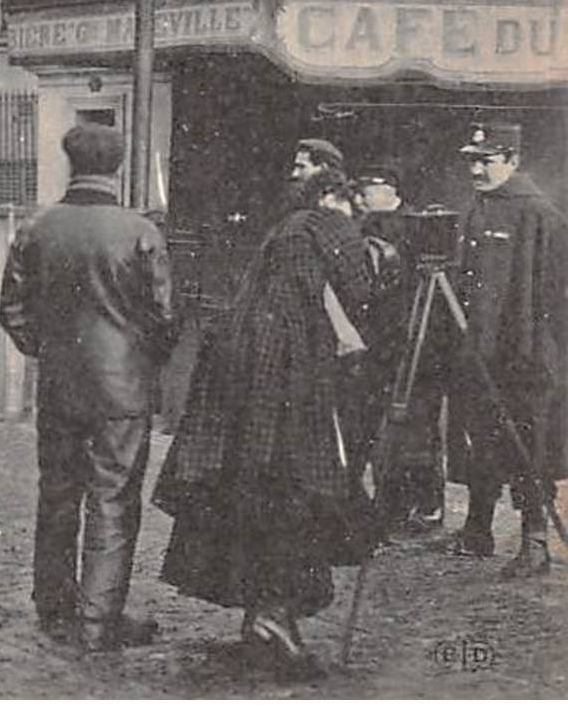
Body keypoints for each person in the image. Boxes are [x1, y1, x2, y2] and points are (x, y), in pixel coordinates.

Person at [152, 166, 373, 674]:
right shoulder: (325, 227)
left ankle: (261, 616)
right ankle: (275, 614)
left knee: (254, 491)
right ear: (336, 198)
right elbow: (360, 293)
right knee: (294, 493)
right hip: (289, 381)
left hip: (244, 380)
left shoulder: (282, 237)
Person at [0, 122, 178, 653]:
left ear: (70, 162)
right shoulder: (140, 232)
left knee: (57, 492)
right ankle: (99, 620)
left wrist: (48, 349)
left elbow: (12, 310)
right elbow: (167, 318)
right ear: (117, 167)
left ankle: (53, 603)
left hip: (59, 384)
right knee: (114, 499)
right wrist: (141, 360)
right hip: (122, 388)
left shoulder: (37, 226)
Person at [443, 122, 568, 578]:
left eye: (487, 160)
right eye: (472, 160)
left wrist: (539, 351)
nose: (476, 169)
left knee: (528, 443)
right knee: (481, 436)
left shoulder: (541, 215)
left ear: (513, 161)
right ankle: (478, 529)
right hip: (481, 353)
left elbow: (556, 295)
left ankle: (535, 541)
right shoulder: (477, 209)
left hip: (527, 357)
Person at [353, 164, 446, 534]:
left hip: (416, 343)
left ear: (390, 190)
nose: (361, 196)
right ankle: (387, 505)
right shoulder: (361, 227)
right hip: (376, 343)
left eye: (369, 189)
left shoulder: (416, 227)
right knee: (379, 427)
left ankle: (426, 504)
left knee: (417, 428)